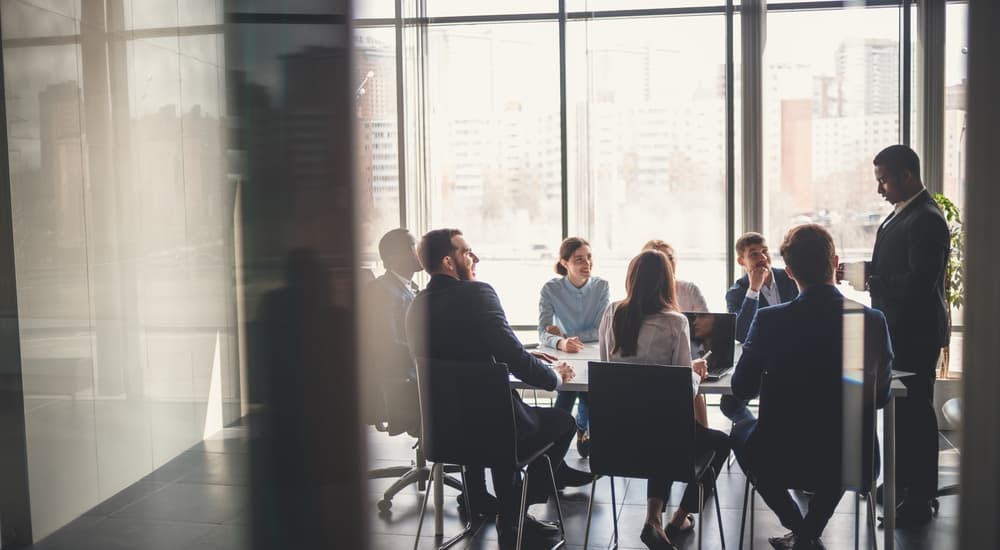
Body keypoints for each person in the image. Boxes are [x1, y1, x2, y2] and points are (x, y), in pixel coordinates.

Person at [406, 228, 594, 547]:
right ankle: (514, 512)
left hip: (443, 431)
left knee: (490, 419)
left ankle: (477, 498)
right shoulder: (478, 293)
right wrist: (556, 377)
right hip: (495, 430)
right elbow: (515, 361)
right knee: (563, 424)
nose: (475, 257)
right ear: (449, 262)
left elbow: (458, 350)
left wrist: (517, 353)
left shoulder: (415, 306)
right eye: (467, 252)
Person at [729, 224, 893, 550]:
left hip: (781, 455)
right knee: (841, 440)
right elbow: (879, 398)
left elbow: (742, 388)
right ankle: (809, 532)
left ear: (788, 272)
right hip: (852, 458)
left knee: (741, 433)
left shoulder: (770, 321)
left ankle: (800, 529)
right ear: (835, 261)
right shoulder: (870, 320)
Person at [840, 144, 949, 527]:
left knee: (916, 415)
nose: (879, 189)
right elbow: (899, 265)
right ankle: (903, 486)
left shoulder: (927, 219)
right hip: (899, 328)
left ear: (906, 175)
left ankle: (919, 498)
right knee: (902, 414)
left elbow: (921, 282)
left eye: (883, 179)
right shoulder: (904, 214)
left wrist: (873, 279)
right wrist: (864, 271)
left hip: (915, 333)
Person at [598, 250, 730, 550]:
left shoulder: (612, 311)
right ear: (667, 282)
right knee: (715, 442)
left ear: (631, 279)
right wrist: (696, 373)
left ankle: (653, 519)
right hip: (665, 439)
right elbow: (684, 389)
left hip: (618, 439)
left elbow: (607, 370)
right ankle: (679, 517)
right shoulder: (675, 322)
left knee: (661, 426)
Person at [362, 229, 497, 518]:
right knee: (473, 404)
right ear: (398, 255)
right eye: (413, 247)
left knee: (470, 394)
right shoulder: (381, 293)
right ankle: (477, 496)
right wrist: (435, 354)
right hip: (404, 387)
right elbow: (385, 347)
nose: (418, 253)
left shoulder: (408, 289)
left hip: (418, 378)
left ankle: (476, 495)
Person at [539, 237, 610, 458]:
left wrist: (566, 336)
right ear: (564, 262)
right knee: (571, 385)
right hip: (563, 353)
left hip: (593, 352)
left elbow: (601, 328)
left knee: (586, 384)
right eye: (579, 259)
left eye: (589, 257)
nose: (587, 263)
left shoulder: (601, 286)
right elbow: (543, 331)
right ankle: (573, 433)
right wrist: (559, 342)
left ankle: (557, 442)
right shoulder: (551, 289)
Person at [721, 232, 799, 423]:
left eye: (765, 252)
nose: (763, 258)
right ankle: (754, 430)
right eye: (754, 254)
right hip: (760, 360)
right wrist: (753, 290)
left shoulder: (790, 278)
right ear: (741, 260)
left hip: (794, 357)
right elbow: (740, 333)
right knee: (730, 404)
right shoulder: (736, 292)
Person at [642, 239, 712, 427]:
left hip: (690, 351)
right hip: (669, 373)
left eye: (669, 257)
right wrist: (692, 371)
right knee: (692, 381)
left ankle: (699, 435)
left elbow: (706, 325)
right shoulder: (675, 320)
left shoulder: (613, 313)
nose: (666, 263)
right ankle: (699, 440)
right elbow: (683, 382)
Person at [642, 240, 709, 313]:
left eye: (670, 258)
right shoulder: (641, 294)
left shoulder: (690, 290)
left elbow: (706, 321)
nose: (668, 264)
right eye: (662, 260)